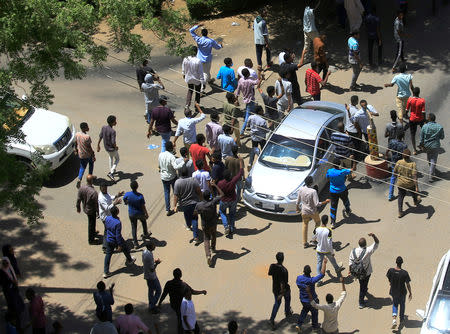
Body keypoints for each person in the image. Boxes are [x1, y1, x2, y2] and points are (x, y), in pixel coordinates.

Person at [158, 268, 207, 334]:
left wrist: (159, 303)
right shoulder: (184, 285)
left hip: (174, 305)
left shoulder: (169, 283)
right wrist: (202, 292)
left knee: (180, 318)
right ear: (181, 275)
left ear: (173, 275)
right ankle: (195, 330)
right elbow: (193, 292)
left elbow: (164, 294)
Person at [194, 182, 224, 266]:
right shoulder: (213, 202)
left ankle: (208, 255)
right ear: (209, 196)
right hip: (213, 223)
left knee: (206, 238)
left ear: (203, 197)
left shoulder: (199, 205)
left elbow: (195, 213)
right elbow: (222, 194)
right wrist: (215, 185)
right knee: (214, 235)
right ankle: (213, 248)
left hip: (205, 224)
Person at [296, 176, 330, 248]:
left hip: (304, 211)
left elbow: (298, 201)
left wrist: (297, 209)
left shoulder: (301, 189)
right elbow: (317, 204)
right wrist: (325, 202)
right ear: (311, 183)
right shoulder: (313, 191)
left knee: (305, 225)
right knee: (317, 222)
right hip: (313, 211)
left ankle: (305, 242)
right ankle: (314, 239)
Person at [348, 233, 379, 308]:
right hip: (366, 272)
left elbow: (350, 261)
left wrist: (350, 270)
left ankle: (364, 290)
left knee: (362, 283)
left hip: (356, 272)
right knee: (363, 286)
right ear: (365, 244)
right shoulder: (368, 250)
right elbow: (376, 243)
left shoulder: (353, 251)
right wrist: (374, 236)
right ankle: (361, 303)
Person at [295, 258, 327, 332]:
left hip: (303, 300)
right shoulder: (311, 280)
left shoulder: (299, 279)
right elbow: (322, 274)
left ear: (304, 271)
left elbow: (298, 284)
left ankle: (299, 325)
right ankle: (315, 327)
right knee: (314, 313)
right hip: (312, 300)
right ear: (310, 272)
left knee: (304, 311)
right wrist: (324, 263)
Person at [103, 206, 136, 278]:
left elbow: (106, 228)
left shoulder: (107, 218)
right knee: (125, 248)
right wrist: (119, 245)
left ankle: (106, 272)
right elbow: (117, 235)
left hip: (109, 239)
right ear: (117, 212)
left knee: (108, 255)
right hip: (116, 240)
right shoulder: (118, 222)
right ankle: (130, 260)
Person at [173, 166, 203, 245]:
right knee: (195, 219)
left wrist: (175, 206)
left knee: (186, 215)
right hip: (194, 203)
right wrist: (202, 201)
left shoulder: (177, 182)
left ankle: (188, 226)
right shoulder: (193, 180)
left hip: (184, 204)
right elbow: (199, 191)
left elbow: (175, 195)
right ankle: (196, 237)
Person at [189, 24, 223, 92]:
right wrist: (220, 45)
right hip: (207, 59)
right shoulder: (211, 41)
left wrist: (198, 26)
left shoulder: (198, 39)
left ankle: (209, 80)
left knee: (203, 72)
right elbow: (217, 47)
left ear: (201, 33)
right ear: (207, 33)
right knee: (206, 73)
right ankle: (202, 87)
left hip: (199, 58)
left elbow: (191, 30)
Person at [217, 158, 244, 237]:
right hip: (232, 200)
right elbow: (240, 173)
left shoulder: (220, 183)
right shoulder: (233, 181)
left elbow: (219, 192)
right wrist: (241, 162)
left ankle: (226, 226)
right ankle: (231, 228)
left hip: (224, 200)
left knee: (222, 212)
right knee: (232, 214)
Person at [159, 141, 186, 216]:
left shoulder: (160, 154)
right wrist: (183, 162)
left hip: (163, 176)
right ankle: (177, 205)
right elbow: (176, 167)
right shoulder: (171, 157)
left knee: (166, 192)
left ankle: (168, 209)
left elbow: (160, 165)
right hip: (172, 176)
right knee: (176, 191)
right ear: (171, 148)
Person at [386, 256, 412, 329]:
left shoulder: (391, 270)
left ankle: (394, 319)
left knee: (395, 304)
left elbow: (388, 277)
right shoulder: (404, 273)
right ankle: (401, 319)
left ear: (396, 262)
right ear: (402, 263)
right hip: (402, 292)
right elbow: (408, 284)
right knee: (402, 305)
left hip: (394, 291)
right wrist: (410, 292)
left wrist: (391, 282)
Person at [268, 252, 292, 330]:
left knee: (277, 303)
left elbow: (270, 273)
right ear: (283, 259)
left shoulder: (272, 266)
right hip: (283, 289)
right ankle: (287, 311)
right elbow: (283, 282)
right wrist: (281, 293)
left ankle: (272, 319)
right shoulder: (284, 270)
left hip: (275, 288)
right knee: (287, 298)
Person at [123, 181, 151, 249]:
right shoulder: (140, 196)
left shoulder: (128, 194)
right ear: (137, 186)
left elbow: (124, 199)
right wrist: (146, 214)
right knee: (144, 222)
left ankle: (136, 243)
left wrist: (126, 203)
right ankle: (145, 234)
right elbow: (143, 206)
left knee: (134, 227)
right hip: (140, 213)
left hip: (131, 213)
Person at [326, 159, 353, 227]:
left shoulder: (329, 171)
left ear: (333, 164)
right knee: (345, 200)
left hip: (333, 191)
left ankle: (333, 222)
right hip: (342, 190)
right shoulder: (342, 171)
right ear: (339, 164)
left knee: (333, 206)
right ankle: (348, 210)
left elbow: (327, 178)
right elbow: (352, 170)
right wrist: (354, 161)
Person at [394, 149, 420, 217]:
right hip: (410, 183)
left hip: (401, 183)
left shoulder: (399, 162)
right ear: (409, 156)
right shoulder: (412, 164)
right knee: (413, 192)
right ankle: (415, 201)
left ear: (403, 156)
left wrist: (398, 178)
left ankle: (400, 212)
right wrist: (417, 187)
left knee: (401, 197)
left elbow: (394, 172)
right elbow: (414, 176)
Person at [98, 183, 124, 252]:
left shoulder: (105, 193)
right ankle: (105, 247)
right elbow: (106, 208)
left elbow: (110, 197)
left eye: (106, 188)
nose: (106, 190)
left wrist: (117, 195)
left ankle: (111, 244)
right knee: (107, 231)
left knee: (108, 230)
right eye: (104, 189)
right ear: (101, 189)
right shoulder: (101, 198)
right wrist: (114, 203)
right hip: (105, 217)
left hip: (109, 215)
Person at [0, 257, 25, 328]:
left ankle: (18, 312)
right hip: (8, 291)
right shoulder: (1, 272)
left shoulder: (10, 268)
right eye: (4, 263)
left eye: (7, 263)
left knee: (17, 301)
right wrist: (10, 281)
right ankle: (15, 320)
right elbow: (2, 282)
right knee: (12, 304)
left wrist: (14, 282)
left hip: (14, 288)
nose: (6, 265)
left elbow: (14, 276)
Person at [235, 68, 261, 135]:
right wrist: (259, 72)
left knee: (248, 112)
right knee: (248, 116)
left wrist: (236, 99)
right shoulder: (249, 81)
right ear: (248, 74)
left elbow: (237, 90)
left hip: (245, 99)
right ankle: (242, 131)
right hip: (250, 100)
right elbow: (257, 82)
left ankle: (249, 125)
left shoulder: (241, 80)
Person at [420, 113, 444, 182]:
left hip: (427, 145)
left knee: (429, 159)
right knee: (433, 159)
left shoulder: (425, 126)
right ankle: (431, 173)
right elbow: (442, 137)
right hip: (435, 145)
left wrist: (421, 145)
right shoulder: (439, 127)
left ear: (429, 119)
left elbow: (421, 138)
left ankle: (431, 172)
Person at [76, 174, 99, 244]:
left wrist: (78, 207)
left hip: (85, 208)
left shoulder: (81, 188)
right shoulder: (93, 192)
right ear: (91, 181)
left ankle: (93, 232)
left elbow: (78, 199)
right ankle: (91, 240)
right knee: (91, 223)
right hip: (91, 210)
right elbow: (96, 204)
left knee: (92, 222)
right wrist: (98, 211)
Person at [386, 132, 408, 201]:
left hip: (393, 162)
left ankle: (390, 195)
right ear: (403, 136)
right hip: (401, 163)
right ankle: (402, 191)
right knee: (402, 177)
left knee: (393, 178)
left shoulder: (392, 142)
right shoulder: (404, 145)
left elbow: (387, 150)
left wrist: (387, 155)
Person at [97, 115, 120, 182]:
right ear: (112, 123)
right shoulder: (113, 131)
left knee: (110, 157)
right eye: (115, 121)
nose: (116, 122)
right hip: (112, 149)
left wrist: (98, 144)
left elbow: (100, 136)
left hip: (106, 148)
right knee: (117, 159)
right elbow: (113, 142)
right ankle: (111, 172)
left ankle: (111, 171)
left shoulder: (103, 127)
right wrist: (116, 147)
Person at [142, 241, 162, 314]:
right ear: (150, 247)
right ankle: (152, 306)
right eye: (154, 245)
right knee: (158, 290)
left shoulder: (144, 252)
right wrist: (157, 263)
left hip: (146, 275)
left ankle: (151, 303)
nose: (155, 246)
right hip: (152, 276)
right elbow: (152, 269)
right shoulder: (149, 256)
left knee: (151, 290)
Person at [300, 0, 321, 66]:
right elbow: (315, 10)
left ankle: (304, 60)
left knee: (306, 45)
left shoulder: (305, 9)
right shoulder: (310, 11)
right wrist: (319, 2)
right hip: (312, 31)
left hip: (305, 30)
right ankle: (318, 59)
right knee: (318, 44)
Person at [75, 122, 95, 189]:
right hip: (88, 154)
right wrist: (93, 154)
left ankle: (79, 179)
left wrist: (76, 150)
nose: (88, 127)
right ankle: (90, 178)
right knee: (91, 165)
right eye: (87, 127)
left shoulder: (77, 134)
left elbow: (76, 143)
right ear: (84, 128)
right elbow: (89, 147)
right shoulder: (87, 137)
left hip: (81, 154)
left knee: (82, 167)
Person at [247, 105, 268, 169]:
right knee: (263, 150)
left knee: (253, 150)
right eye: (262, 110)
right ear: (259, 112)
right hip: (261, 138)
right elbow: (265, 130)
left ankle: (250, 163)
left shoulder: (251, 117)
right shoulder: (262, 121)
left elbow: (248, 125)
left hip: (254, 137)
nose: (263, 111)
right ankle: (263, 162)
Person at [406, 87, 425, 154]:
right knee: (423, 131)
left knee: (413, 134)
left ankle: (414, 149)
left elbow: (407, 110)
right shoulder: (422, 101)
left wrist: (406, 115)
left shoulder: (410, 100)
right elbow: (423, 112)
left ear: (413, 93)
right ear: (419, 93)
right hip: (420, 119)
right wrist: (424, 119)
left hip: (412, 119)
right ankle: (422, 145)